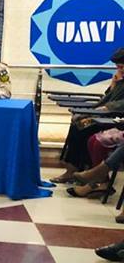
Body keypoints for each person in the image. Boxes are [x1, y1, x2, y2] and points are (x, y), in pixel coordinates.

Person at [50, 47, 124, 184]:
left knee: (84, 128)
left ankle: (82, 170)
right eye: (118, 67)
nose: (120, 70)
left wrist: (108, 107)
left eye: (122, 66)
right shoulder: (120, 79)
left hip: (117, 119)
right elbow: (107, 97)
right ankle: (73, 168)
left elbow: (116, 103)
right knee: (78, 124)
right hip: (106, 115)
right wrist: (114, 84)